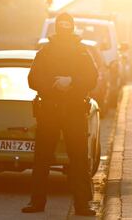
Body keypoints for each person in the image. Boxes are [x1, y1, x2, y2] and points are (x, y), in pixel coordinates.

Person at [22, 12, 98, 216]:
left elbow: (92, 78)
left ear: (72, 27)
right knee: (42, 158)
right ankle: (36, 202)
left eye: (68, 24)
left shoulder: (81, 52)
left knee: (79, 159)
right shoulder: (45, 52)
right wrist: (54, 85)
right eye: (61, 24)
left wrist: (71, 81)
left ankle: (82, 205)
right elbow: (33, 79)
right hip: (49, 111)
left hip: (74, 111)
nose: (64, 27)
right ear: (57, 27)